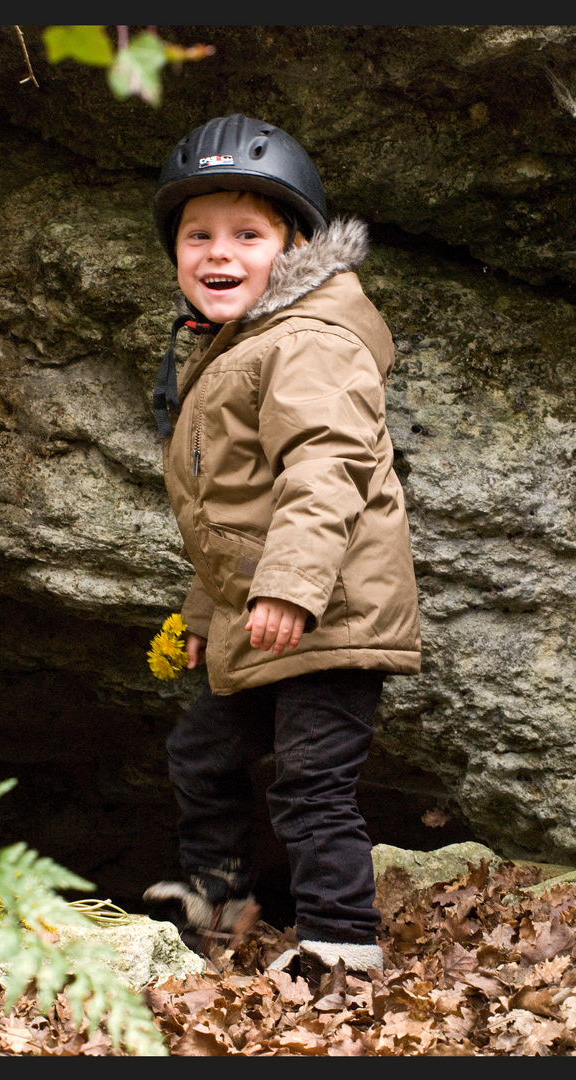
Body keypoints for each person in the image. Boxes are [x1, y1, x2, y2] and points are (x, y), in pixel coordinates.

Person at [141, 114, 421, 977]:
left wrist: (292, 588)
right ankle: (218, 903)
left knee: (310, 783)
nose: (219, 254)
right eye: (198, 235)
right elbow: (233, 509)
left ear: (296, 245)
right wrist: (200, 614)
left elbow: (324, 465)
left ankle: (340, 947)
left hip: (328, 614)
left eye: (248, 235)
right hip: (264, 617)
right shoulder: (233, 348)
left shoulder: (306, 340)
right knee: (201, 753)